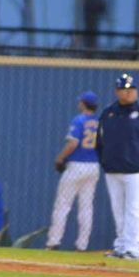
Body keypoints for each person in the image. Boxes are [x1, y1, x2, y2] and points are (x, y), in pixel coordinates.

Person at [96, 73, 139, 261]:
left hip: (138, 169)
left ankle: (134, 249)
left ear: (136, 90)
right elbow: (99, 140)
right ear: (116, 91)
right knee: (118, 209)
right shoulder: (109, 112)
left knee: (135, 209)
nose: (127, 93)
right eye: (123, 90)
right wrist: (104, 162)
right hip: (113, 169)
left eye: (131, 89)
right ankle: (121, 246)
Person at [45, 91, 101, 252]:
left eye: (80, 102)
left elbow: (73, 143)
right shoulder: (99, 122)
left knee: (63, 204)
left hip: (77, 165)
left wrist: (60, 158)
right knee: (86, 207)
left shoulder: (79, 120)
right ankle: (82, 245)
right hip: (93, 165)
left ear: (84, 103)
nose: (79, 104)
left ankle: (53, 242)